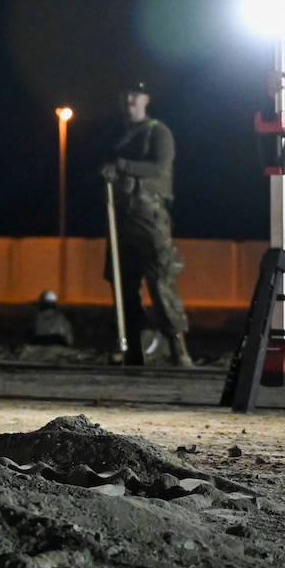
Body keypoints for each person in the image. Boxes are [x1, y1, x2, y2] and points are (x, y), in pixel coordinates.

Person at [101, 83, 192, 368]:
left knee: (160, 281)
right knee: (123, 284)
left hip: (149, 217)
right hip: (121, 218)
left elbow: (160, 167)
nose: (129, 99)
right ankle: (133, 349)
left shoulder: (157, 132)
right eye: (125, 94)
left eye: (135, 94)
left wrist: (122, 165)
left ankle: (179, 349)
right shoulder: (119, 135)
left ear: (146, 99)